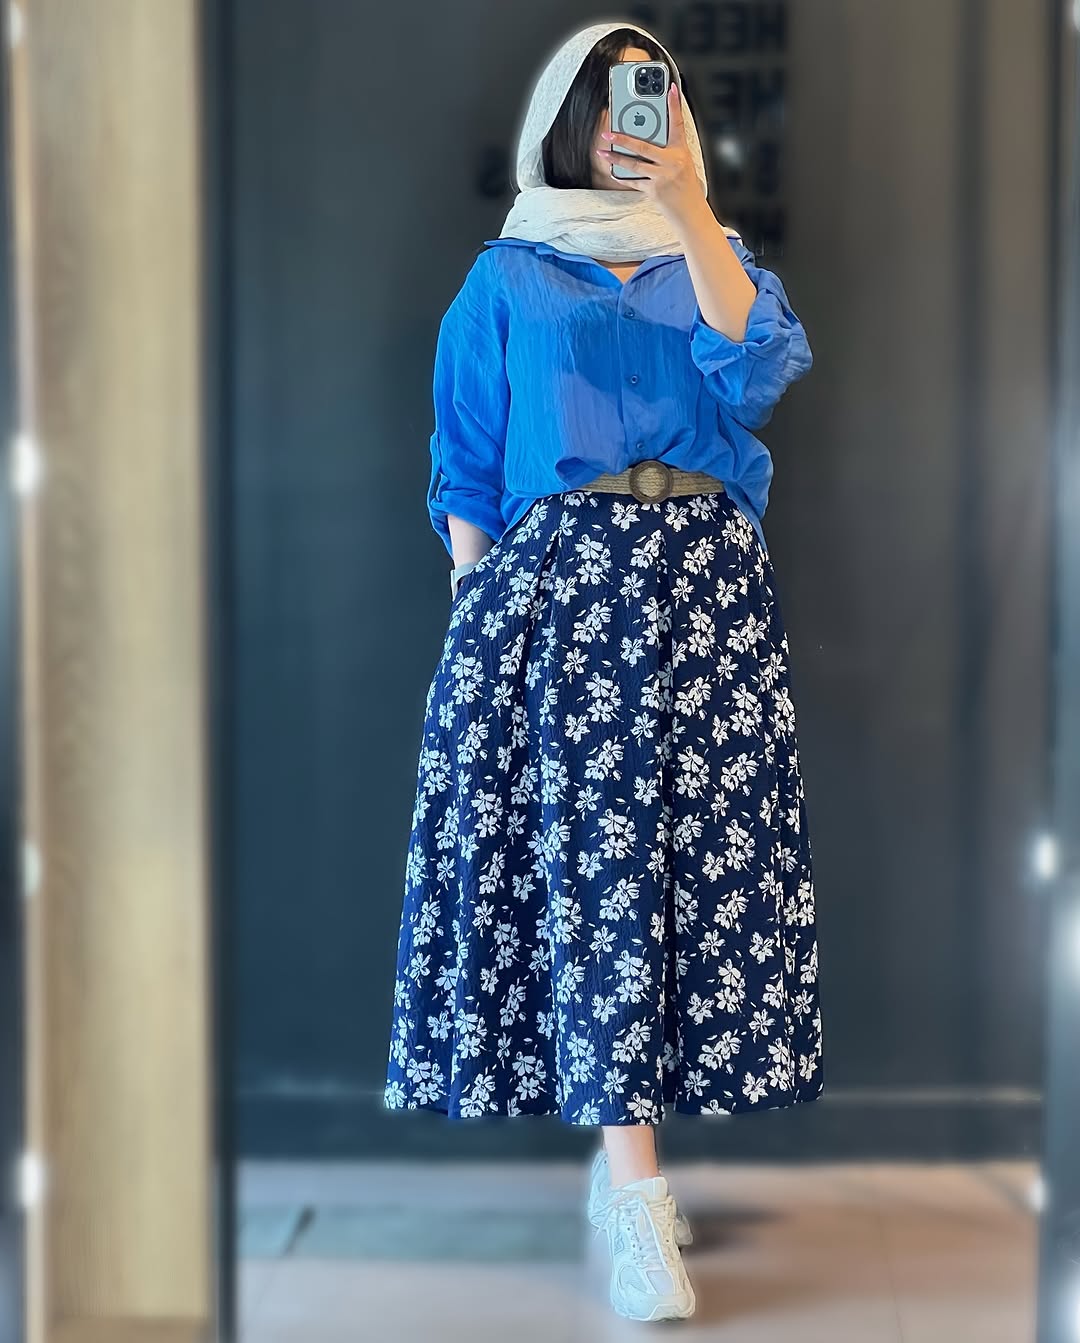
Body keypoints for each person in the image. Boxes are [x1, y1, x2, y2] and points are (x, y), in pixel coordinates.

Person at [384, 18, 824, 1324]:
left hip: (708, 603)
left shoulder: (712, 260)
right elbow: (467, 464)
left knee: (687, 887)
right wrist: (476, 626)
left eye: (662, 96)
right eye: (624, 99)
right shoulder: (507, 279)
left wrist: (689, 206)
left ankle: (621, 1160)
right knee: (596, 883)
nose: (646, 116)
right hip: (562, 603)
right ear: (572, 119)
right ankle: (637, 1198)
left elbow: (761, 369)